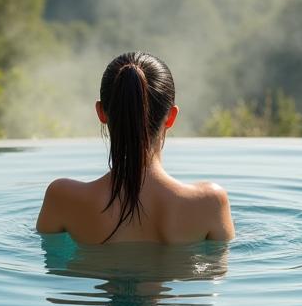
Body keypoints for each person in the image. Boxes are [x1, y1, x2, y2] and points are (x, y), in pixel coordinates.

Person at [36, 51, 234, 243]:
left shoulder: (62, 198)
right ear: (171, 117)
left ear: (101, 113)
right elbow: (217, 271)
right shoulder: (209, 203)